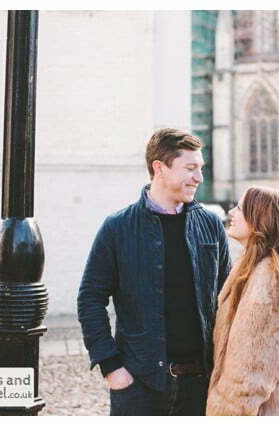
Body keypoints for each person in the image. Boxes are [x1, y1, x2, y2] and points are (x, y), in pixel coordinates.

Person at [77, 128, 231, 415]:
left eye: (200, 168)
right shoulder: (118, 228)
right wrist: (111, 366)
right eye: (190, 168)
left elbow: (228, 299)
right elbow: (90, 299)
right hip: (140, 388)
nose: (199, 177)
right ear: (159, 168)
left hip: (202, 386)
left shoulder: (210, 224)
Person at [207, 186, 279, 416]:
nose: (231, 213)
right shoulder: (258, 266)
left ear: (259, 218)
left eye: (239, 208)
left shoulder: (268, 276)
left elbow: (253, 368)